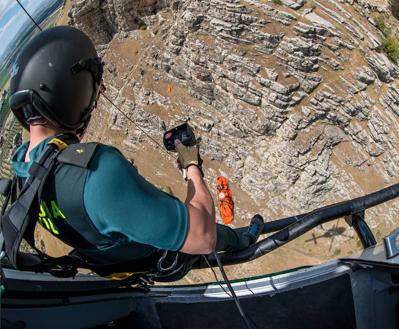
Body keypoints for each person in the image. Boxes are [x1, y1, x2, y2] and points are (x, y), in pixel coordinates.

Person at [6, 26, 263, 276]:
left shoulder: (22, 175)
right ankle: (246, 239)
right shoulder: (97, 171)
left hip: (111, 264)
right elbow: (203, 236)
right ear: (75, 93)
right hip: (159, 259)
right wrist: (191, 165)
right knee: (214, 230)